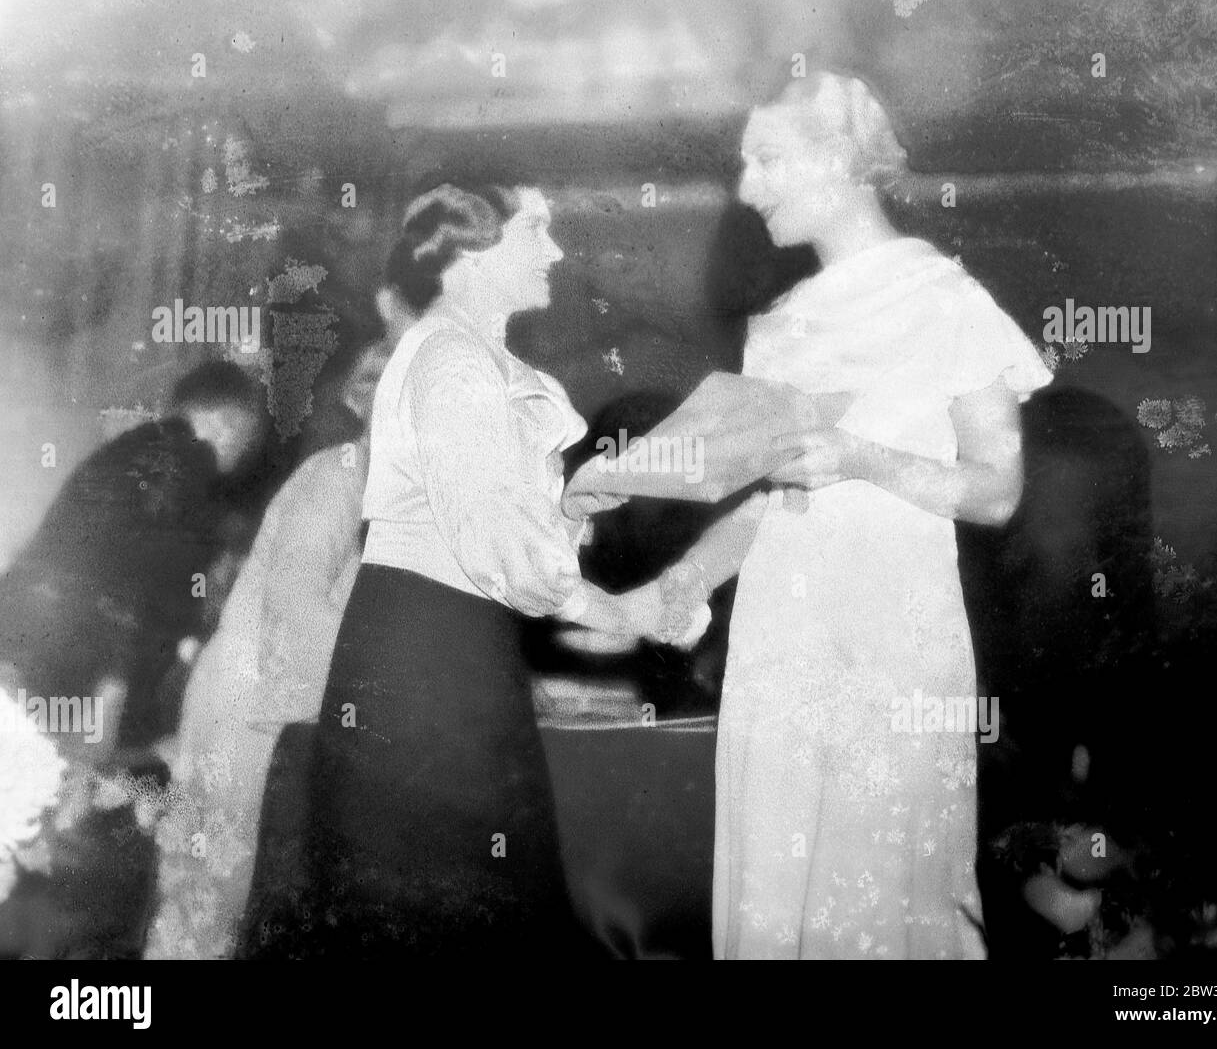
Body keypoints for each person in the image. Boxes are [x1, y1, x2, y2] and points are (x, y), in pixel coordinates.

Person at [665, 73, 1054, 959]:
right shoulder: (779, 324)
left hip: (890, 652)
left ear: (838, 157)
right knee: (778, 891)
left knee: (881, 896)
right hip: (779, 647)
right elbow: (772, 501)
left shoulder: (945, 300)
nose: (746, 188)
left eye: (766, 160)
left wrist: (861, 458)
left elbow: (996, 490)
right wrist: (675, 585)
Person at [300, 180, 696, 957]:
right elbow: (494, 543)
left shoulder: (474, 356)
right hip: (428, 657)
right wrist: (625, 612)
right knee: (446, 897)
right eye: (535, 231)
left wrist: (574, 508)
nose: (556, 251)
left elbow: (493, 527)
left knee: (473, 892)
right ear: (471, 255)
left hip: (451, 646)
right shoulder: (452, 359)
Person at [143, 343, 388, 959]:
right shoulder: (338, 475)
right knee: (208, 908)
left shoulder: (386, 489)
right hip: (247, 713)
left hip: (270, 714)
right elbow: (295, 616)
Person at [0, 360, 268, 758]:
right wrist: (115, 683)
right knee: (69, 766)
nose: (243, 452)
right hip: (77, 645)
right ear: (226, 422)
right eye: (245, 436)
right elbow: (150, 575)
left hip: (27, 624)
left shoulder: (132, 450)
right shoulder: (187, 462)